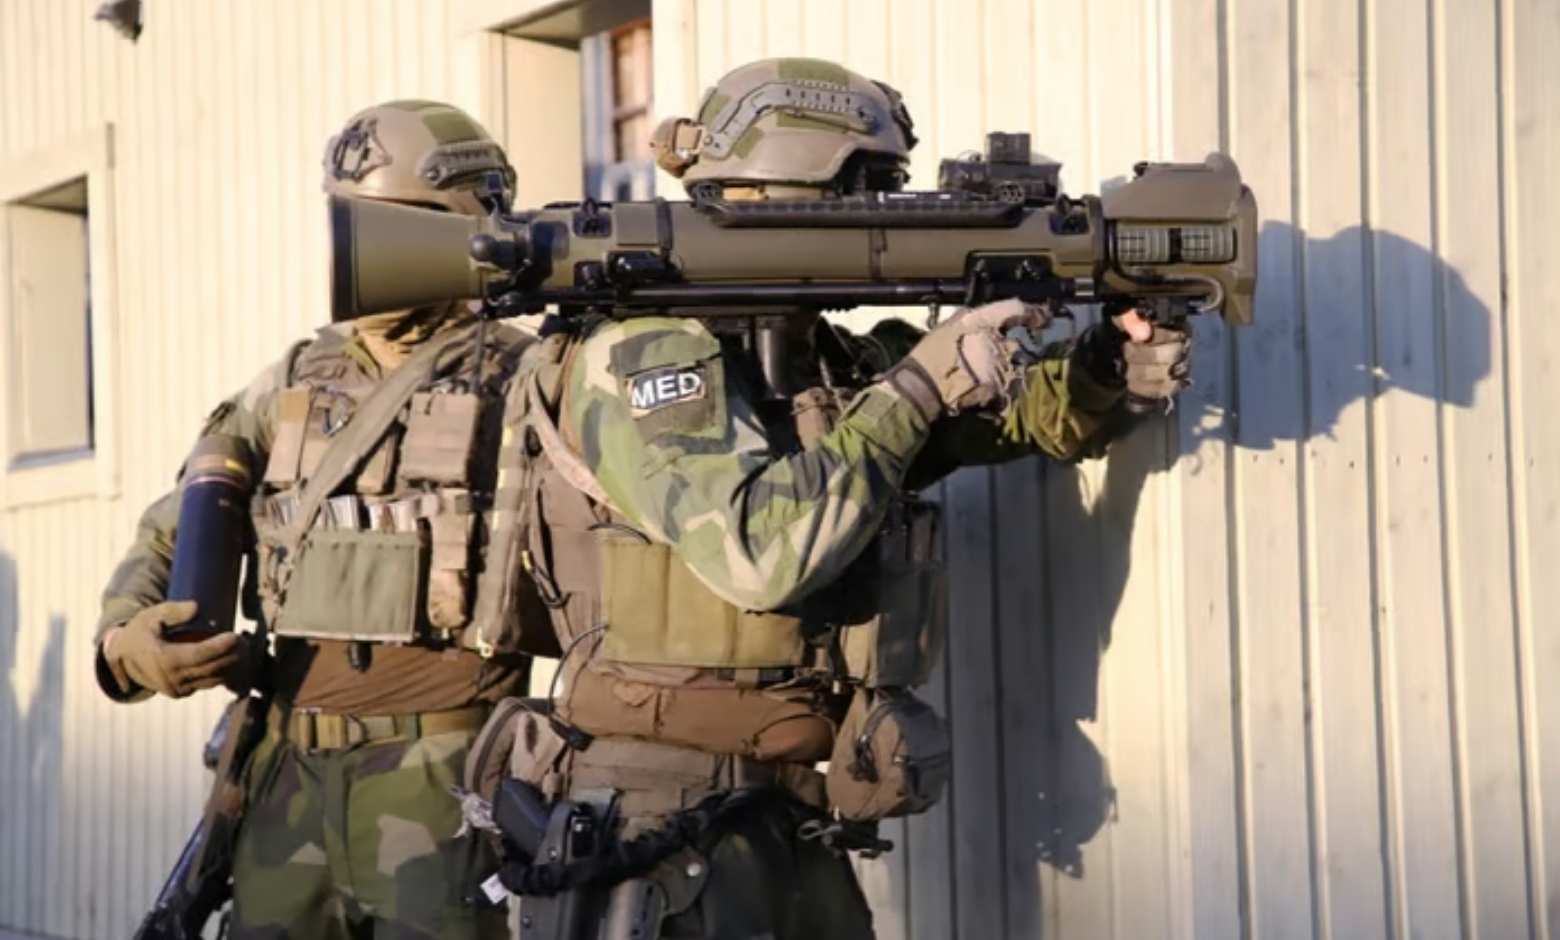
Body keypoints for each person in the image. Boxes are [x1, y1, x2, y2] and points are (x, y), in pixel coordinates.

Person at [474, 59, 1190, 938]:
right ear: (791, 193)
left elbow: (1014, 422)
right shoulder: (643, 354)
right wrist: (917, 388)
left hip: (786, 809)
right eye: (863, 195)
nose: (882, 219)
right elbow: (759, 554)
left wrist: (1107, 362)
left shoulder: (821, 360)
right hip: (656, 819)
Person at [93, 100, 552, 939]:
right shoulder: (296, 377)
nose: (355, 249)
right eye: (348, 222)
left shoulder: (529, 376)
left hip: (443, 777)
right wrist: (127, 637)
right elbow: (177, 520)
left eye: (382, 226)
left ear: (462, 225)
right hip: (284, 774)